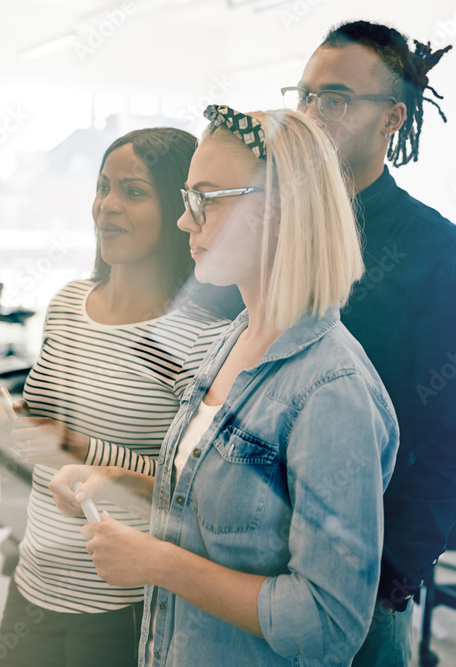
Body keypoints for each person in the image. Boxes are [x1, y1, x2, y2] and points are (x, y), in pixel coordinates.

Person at [47, 105, 399, 665]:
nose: (185, 222)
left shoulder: (332, 390)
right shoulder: (232, 339)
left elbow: (326, 625)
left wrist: (157, 564)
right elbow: (211, 513)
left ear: (281, 209)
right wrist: (113, 478)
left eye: (203, 201)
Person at [0, 127, 231, 667]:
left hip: (123, 604)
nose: (106, 206)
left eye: (133, 192)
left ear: (180, 210)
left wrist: (70, 448)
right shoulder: (67, 303)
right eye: (102, 187)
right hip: (34, 582)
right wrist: (9, 426)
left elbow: (193, 490)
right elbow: (41, 428)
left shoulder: (201, 339)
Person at [284, 20, 456, 665]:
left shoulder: (439, 251)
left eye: (337, 99)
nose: (313, 115)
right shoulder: (273, 232)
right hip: (251, 556)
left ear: (392, 117)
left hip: (360, 573)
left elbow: (455, 440)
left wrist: (391, 579)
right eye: (306, 95)